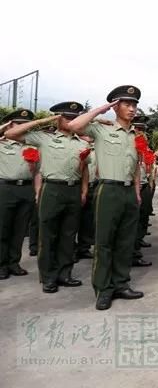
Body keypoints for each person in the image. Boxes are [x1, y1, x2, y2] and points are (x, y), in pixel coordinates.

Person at [67, 85, 145, 310]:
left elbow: (136, 166)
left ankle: (121, 284)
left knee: (125, 242)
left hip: (129, 192)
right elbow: (73, 125)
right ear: (115, 106)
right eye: (126, 104)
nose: (132, 109)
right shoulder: (102, 130)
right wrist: (102, 110)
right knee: (104, 242)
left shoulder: (136, 136)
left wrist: (137, 191)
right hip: (108, 190)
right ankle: (103, 289)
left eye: (134, 105)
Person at [6, 102, 90, 293]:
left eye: (74, 118)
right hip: (51, 189)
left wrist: (84, 191)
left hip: (73, 190)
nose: (71, 121)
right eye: (67, 117)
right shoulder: (44, 138)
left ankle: (65, 273)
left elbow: (84, 169)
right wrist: (46, 120)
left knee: (68, 235)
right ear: (58, 118)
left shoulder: (83, 143)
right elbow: (11, 134)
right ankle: (48, 277)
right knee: (48, 234)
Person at [0, 109, 35, 281]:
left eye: (24, 124)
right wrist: (4, 127)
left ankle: (14, 262)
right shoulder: (1, 143)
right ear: (10, 124)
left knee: (20, 229)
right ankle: (1, 264)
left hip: (26, 189)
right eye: (18, 124)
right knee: (3, 228)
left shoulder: (32, 144)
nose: (22, 127)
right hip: (5, 189)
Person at [130, 114, 153, 268]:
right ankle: (132, 254)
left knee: (142, 217)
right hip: (130, 187)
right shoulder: (128, 141)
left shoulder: (144, 144)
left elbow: (146, 166)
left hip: (143, 184)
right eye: (138, 128)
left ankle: (137, 246)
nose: (141, 131)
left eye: (143, 129)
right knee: (132, 222)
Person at [75, 138, 97, 261]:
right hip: (76, 186)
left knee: (88, 220)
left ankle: (84, 247)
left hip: (93, 186)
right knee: (73, 220)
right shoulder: (76, 146)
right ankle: (71, 249)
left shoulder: (96, 148)